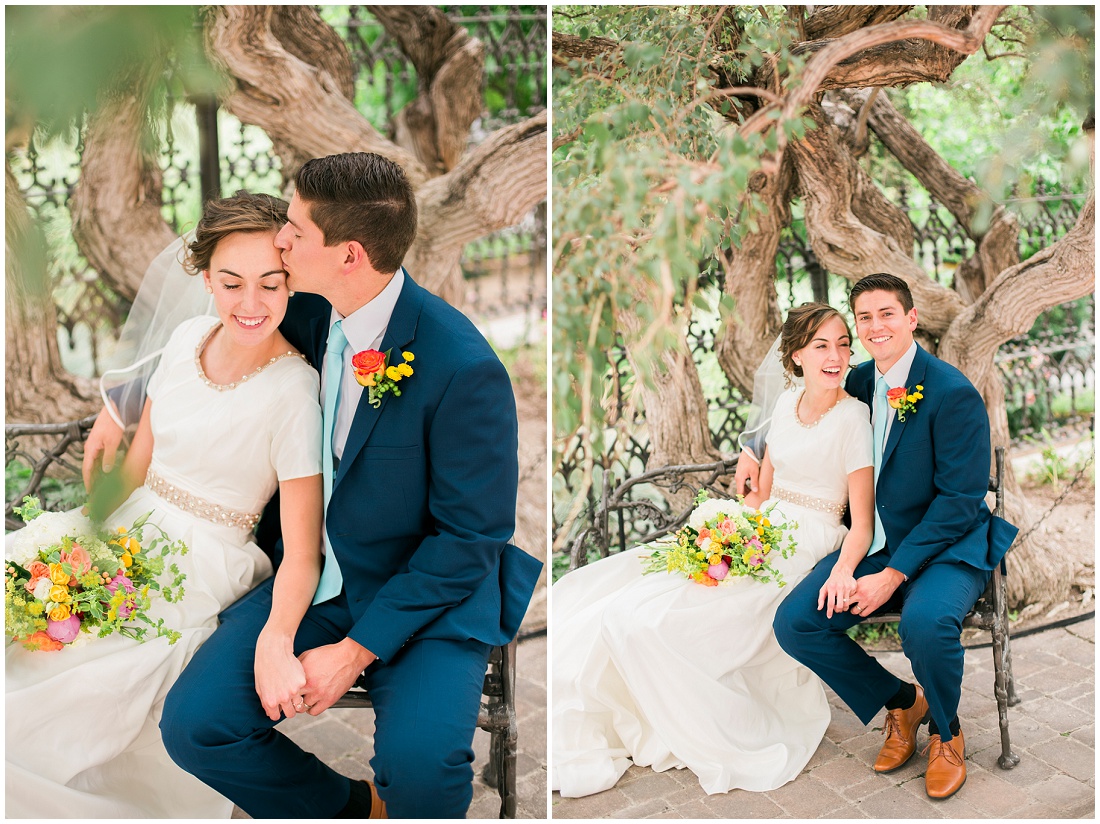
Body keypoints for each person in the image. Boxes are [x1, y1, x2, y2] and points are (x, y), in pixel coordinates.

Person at [82, 152, 542, 819]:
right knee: (197, 725)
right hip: (318, 579)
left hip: (428, 599)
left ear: (349, 255)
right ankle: (351, 811)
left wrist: (352, 655)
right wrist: (119, 404)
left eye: (295, 229)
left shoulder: (464, 368)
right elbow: (197, 338)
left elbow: (471, 539)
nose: (281, 240)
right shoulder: (304, 307)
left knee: (422, 772)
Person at [6, 192, 325, 818]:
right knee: (26, 613)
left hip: (204, 562)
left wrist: (278, 637)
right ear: (205, 279)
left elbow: (303, 551)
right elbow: (135, 467)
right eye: (231, 284)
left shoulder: (294, 390)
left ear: (292, 284)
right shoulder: (183, 340)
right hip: (131, 525)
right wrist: (78, 543)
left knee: (70, 677)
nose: (251, 304)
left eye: (271, 284)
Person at [552, 303, 874, 797]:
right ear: (795, 357)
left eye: (843, 344)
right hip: (763, 529)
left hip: (810, 540)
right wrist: (729, 531)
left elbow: (862, 523)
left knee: (674, 621)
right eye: (822, 346)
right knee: (631, 608)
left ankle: (703, 720)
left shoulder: (854, 417)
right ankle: (652, 701)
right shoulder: (785, 406)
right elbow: (763, 493)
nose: (837, 356)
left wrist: (843, 570)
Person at [770, 274, 1018, 800]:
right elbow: (804, 404)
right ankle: (903, 703)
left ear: (910, 319)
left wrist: (893, 574)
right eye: (865, 317)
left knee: (925, 625)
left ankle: (947, 734)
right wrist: (753, 450)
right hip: (876, 543)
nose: (875, 326)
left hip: (948, 547)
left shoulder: (952, 392)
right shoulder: (858, 380)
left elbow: (958, 501)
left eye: (887, 314)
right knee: (796, 624)